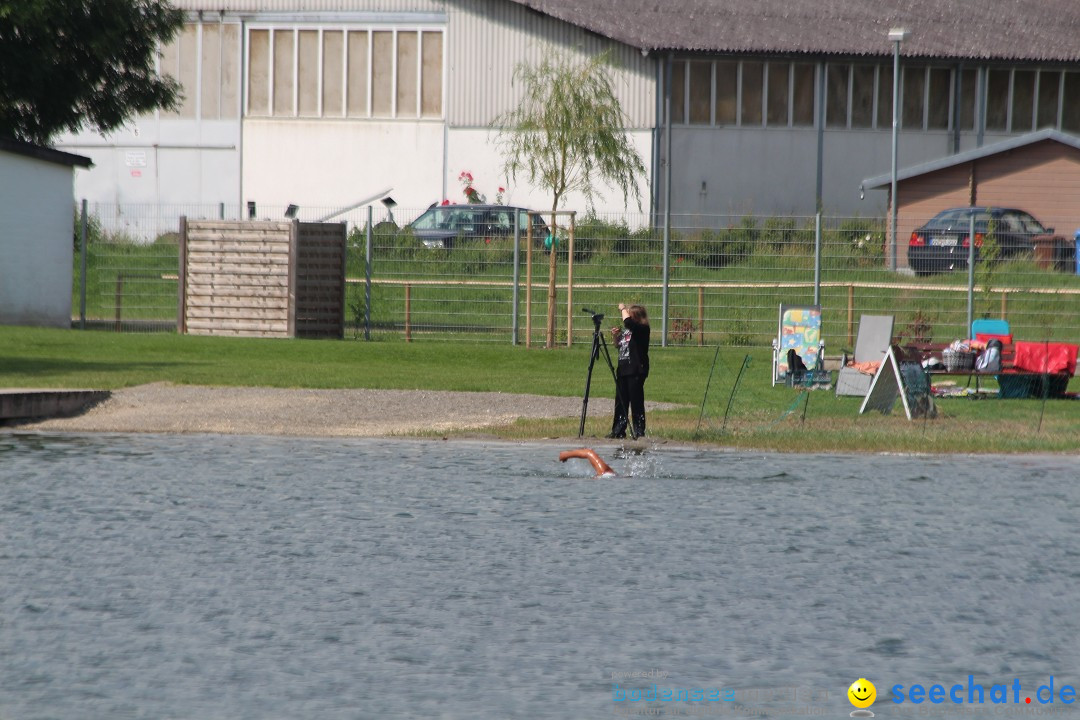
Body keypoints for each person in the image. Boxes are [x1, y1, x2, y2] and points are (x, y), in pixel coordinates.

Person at [607, 303, 650, 439]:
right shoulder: (628, 331)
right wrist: (615, 335)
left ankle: (639, 431)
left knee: (636, 401)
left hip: (636, 369)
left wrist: (623, 308)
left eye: (630, 315)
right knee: (621, 401)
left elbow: (628, 322)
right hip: (623, 369)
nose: (627, 317)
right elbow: (618, 345)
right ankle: (618, 430)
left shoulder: (642, 329)